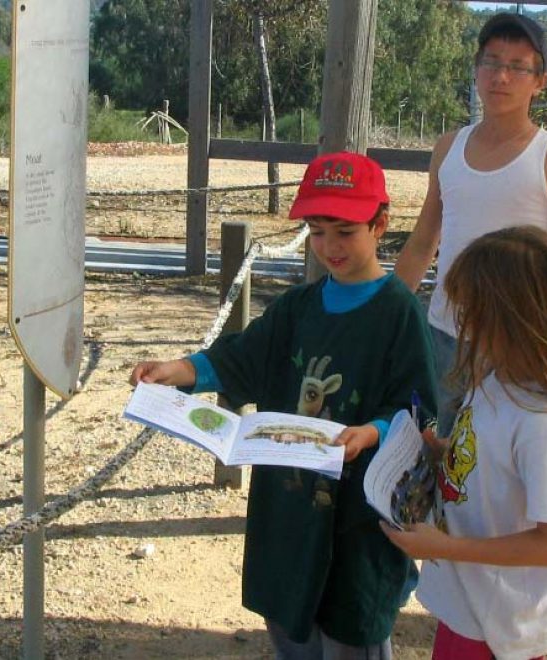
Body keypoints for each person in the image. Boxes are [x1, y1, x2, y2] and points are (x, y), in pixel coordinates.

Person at [130, 151, 438, 659]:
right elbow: (240, 360)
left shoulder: (398, 313)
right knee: (290, 628)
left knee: (348, 630)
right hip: (289, 510)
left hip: (356, 522)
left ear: (380, 224)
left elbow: (416, 406)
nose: (330, 247)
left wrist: (373, 431)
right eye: (318, 231)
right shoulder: (298, 307)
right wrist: (178, 370)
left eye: (345, 231)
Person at [383, 225, 547, 660]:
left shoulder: (545, 425)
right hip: (466, 602)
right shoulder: (495, 380)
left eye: (473, 313)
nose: (462, 325)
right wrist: (435, 450)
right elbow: (483, 458)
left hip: (502, 626)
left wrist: (447, 548)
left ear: (516, 320)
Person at [394, 11, 547, 439]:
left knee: (499, 460)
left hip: (520, 342)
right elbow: (421, 243)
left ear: (539, 81)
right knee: (435, 453)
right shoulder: (448, 147)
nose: (500, 77)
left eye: (517, 67)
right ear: (476, 69)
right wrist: (382, 318)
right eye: (491, 62)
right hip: (445, 333)